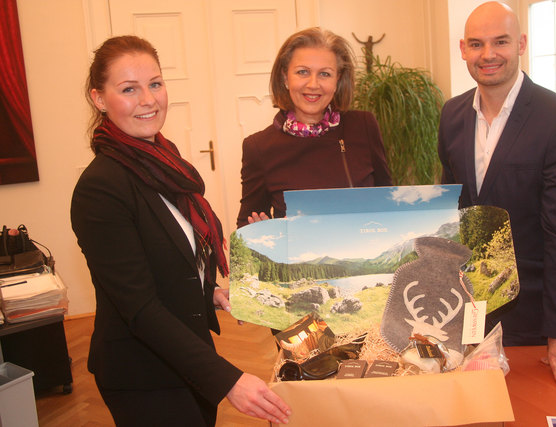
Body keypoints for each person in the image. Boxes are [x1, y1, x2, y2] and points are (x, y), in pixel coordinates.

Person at [70, 35, 290, 426]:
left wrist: (212, 291)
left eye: (155, 84)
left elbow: (170, 258)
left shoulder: (163, 163)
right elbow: (138, 307)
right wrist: (229, 381)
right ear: (99, 99)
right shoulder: (101, 187)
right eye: (128, 89)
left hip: (186, 359)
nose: (149, 100)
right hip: (144, 374)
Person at [438, 2, 556, 390]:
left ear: (522, 44)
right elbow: (455, 209)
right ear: (463, 49)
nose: (488, 55)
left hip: (531, 312)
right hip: (468, 307)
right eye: (476, 44)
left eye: (501, 42)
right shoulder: (452, 114)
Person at [236, 27, 392, 228]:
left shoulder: (363, 126)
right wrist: (266, 235)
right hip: (299, 259)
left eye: (325, 74)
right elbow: (246, 228)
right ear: (285, 77)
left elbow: (389, 202)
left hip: (367, 256)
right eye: (302, 72)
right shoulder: (258, 147)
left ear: (337, 80)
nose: (313, 84)